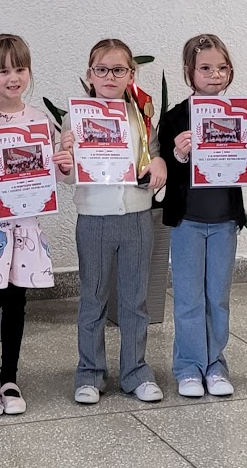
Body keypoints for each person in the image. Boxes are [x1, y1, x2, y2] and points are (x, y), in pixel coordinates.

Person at [0, 34, 74, 417]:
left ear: (29, 71)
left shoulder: (40, 120)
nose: (13, 78)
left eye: (19, 69)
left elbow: (55, 172)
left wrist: (64, 164)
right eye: (3, 71)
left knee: (17, 303)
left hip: (25, 230)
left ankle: (10, 378)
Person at [158, 35, 247, 398]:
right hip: (187, 221)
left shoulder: (237, 115)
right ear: (189, 72)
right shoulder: (175, 117)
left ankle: (215, 364)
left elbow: (244, 170)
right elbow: (165, 167)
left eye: (221, 68)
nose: (214, 75)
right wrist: (179, 154)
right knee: (189, 298)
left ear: (229, 71)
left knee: (217, 296)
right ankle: (188, 367)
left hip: (224, 222)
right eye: (205, 68)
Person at [65, 38, 167, 405]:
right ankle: (89, 373)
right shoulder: (75, 118)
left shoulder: (140, 116)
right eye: (102, 70)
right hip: (93, 218)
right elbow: (67, 174)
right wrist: (66, 157)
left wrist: (160, 164)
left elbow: (153, 155)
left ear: (131, 75)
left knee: (135, 300)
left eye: (118, 70)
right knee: (92, 299)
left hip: (136, 217)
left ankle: (135, 371)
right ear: (90, 75)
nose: (110, 76)